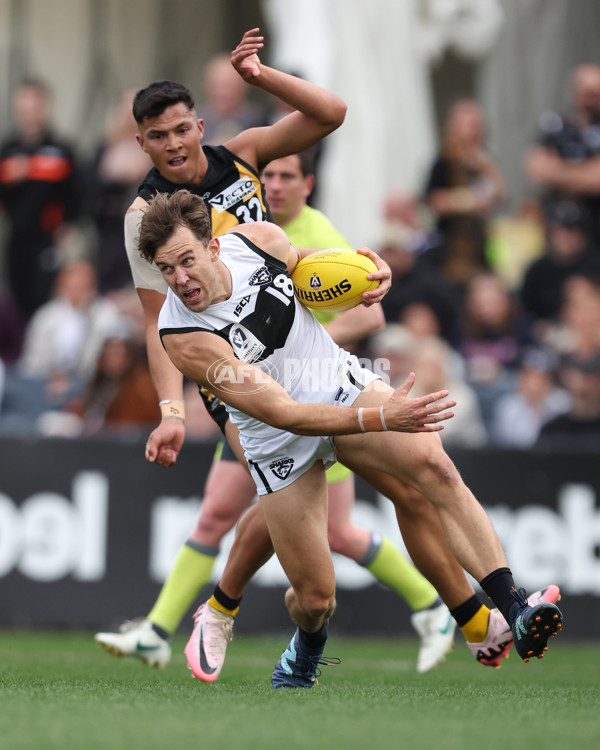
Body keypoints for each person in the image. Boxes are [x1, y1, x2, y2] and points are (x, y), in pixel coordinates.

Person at [138, 189, 563, 689]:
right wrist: (385, 417)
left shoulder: (261, 241)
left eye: (187, 260)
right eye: (167, 270)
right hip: (277, 441)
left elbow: (309, 269)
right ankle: (306, 646)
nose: (180, 279)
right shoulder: (183, 337)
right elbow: (286, 413)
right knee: (316, 599)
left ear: (212, 247)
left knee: (437, 471)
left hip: (340, 384)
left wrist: (366, 273)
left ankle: (513, 607)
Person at [0, 78, 80, 320]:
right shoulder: (8, 150)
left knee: (43, 298)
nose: (29, 114)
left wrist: (67, 226)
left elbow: (75, 194)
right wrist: (11, 179)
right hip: (16, 238)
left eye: (34, 107)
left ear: (44, 107)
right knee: (16, 297)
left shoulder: (61, 149)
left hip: (47, 240)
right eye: (24, 108)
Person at [421, 99, 506, 292]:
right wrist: (468, 202)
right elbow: (433, 201)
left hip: (481, 244)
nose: (471, 131)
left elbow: (500, 193)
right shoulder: (444, 160)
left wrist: (488, 167)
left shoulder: (485, 159)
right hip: (449, 247)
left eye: (475, 125)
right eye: (466, 125)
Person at [525, 63, 600, 246]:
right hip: (560, 234)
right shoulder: (555, 126)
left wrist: (559, 172)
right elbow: (537, 170)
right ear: (572, 91)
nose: (589, 101)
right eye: (585, 92)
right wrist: (585, 173)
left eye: (595, 94)